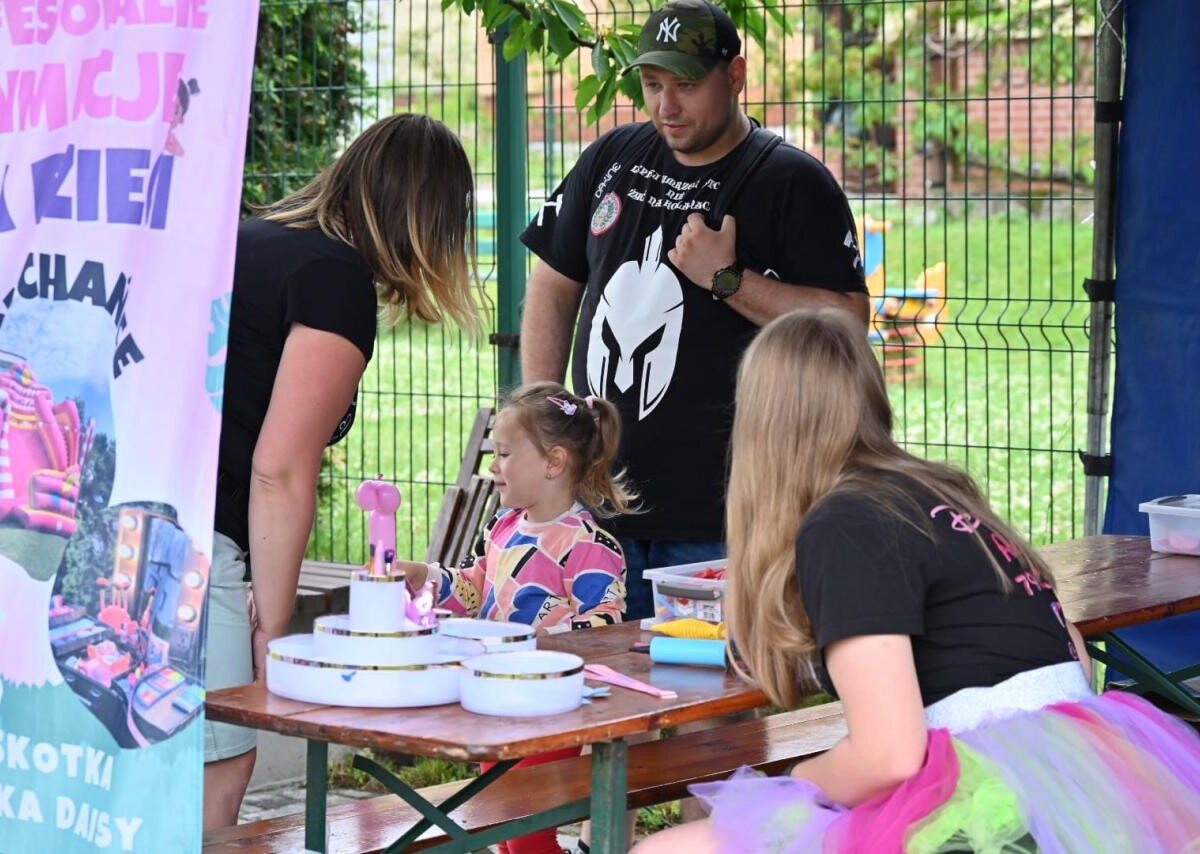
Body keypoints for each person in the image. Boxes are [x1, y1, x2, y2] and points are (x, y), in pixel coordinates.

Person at [634, 308, 1200, 853]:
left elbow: (890, 758)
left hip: (987, 799)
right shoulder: (945, 495)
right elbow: (1069, 654)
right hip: (1090, 774)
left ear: (760, 422)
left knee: (666, 850)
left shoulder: (845, 520)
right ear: (868, 397)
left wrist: (799, 781)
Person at [519, 0, 870, 621]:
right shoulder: (611, 158)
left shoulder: (791, 182)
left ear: (735, 77)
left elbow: (846, 321)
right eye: (652, 86)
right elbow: (552, 283)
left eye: (685, 86)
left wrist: (728, 279)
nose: (665, 107)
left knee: (708, 703)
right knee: (599, 698)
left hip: (723, 517)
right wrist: (544, 409)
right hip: (598, 505)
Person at [205, 113, 481, 830]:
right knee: (219, 761)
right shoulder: (333, 280)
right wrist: (274, 621)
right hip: (193, 549)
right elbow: (279, 471)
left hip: (115, 514)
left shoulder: (249, 240)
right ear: (427, 220)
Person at [400, 381, 634, 854]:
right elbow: (474, 588)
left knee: (527, 832)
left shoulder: (588, 546)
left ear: (553, 462)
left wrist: (538, 641)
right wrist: (422, 575)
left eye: (505, 454)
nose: (493, 467)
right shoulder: (503, 528)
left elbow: (609, 630)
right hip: (499, 702)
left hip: (551, 710)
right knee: (497, 825)